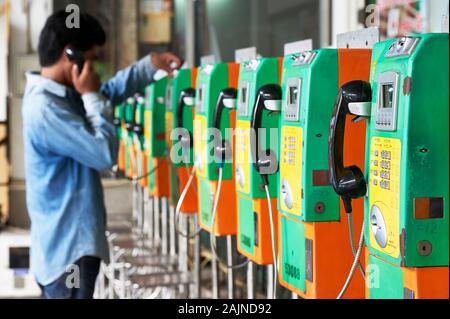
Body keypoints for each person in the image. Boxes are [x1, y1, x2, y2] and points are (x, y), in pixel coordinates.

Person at [22, 9, 181, 299]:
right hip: (67, 254)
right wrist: (91, 96)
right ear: (72, 57)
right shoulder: (46, 110)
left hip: (65, 251)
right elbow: (104, 152)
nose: (94, 68)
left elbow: (106, 93)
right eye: (92, 59)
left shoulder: (60, 97)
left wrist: (148, 67)